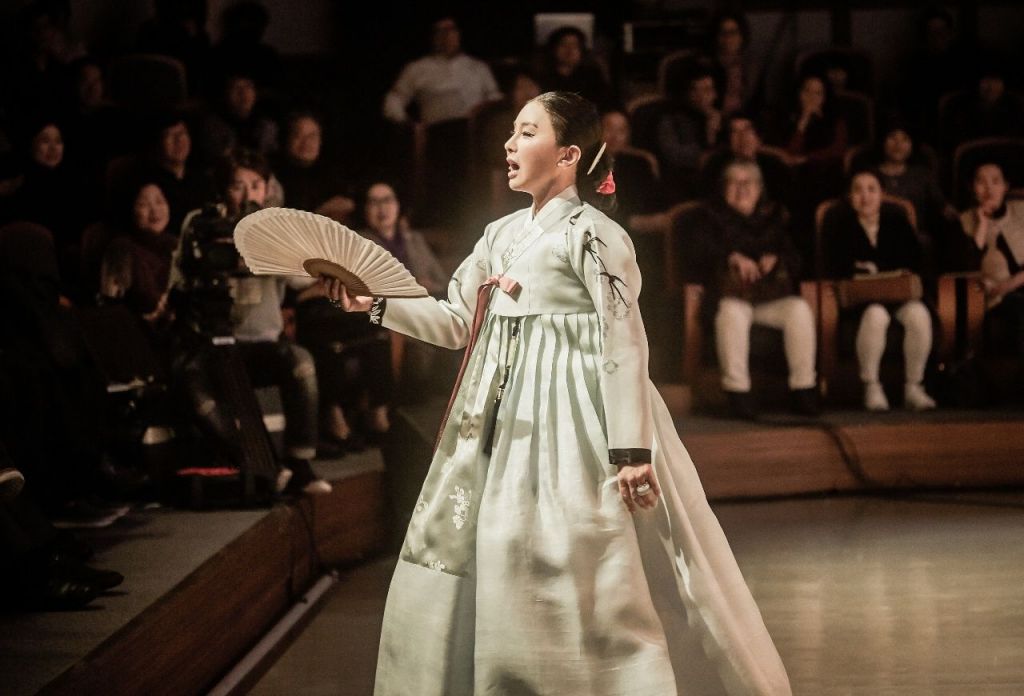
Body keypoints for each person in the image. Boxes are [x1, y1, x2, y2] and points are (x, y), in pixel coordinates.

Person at [324, 91, 791, 695]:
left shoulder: (596, 236)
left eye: (527, 132)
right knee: (502, 548)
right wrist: (376, 303)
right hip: (503, 422)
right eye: (512, 133)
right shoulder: (498, 234)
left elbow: (624, 340)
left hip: (579, 420)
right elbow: (455, 322)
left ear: (569, 154)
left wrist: (630, 450)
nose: (509, 144)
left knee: (580, 557)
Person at [169, 148, 329, 496]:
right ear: (223, 189)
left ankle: (300, 463)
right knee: (192, 381)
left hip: (262, 344)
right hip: (212, 343)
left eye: (255, 185)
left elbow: (302, 278)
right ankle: (262, 462)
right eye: (237, 186)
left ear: (267, 187)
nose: (247, 194)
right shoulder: (201, 223)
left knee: (301, 363)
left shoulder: (276, 225)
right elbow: (178, 280)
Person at [689, 160, 818, 419]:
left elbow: (797, 260)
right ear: (723, 188)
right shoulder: (708, 217)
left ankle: (803, 388)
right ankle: (738, 392)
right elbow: (697, 256)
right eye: (734, 182)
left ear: (760, 188)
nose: (742, 188)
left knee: (799, 309)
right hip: (728, 298)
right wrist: (731, 257)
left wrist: (776, 259)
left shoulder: (775, 217)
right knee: (732, 312)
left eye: (748, 182)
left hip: (769, 299)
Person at [825, 170, 937, 411]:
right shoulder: (840, 225)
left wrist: (875, 268)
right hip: (861, 301)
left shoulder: (897, 221)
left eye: (871, 189)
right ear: (850, 196)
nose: (865, 196)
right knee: (876, 315)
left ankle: (914, 386)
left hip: (898, 296)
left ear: (882, 194)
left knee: (918, 314)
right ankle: (872, 386)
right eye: (858, 190)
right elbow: (834, 266)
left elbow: (915, 261)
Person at [955, 162, 1024, 387]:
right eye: (981, 182)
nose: (989, 188)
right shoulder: (964, 221)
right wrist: (982, 225)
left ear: (1006, 186)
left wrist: (1011, 284)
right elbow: (967, 267)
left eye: (995, 181)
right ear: (972, 188)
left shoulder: (1021, 211)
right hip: (993, 297)